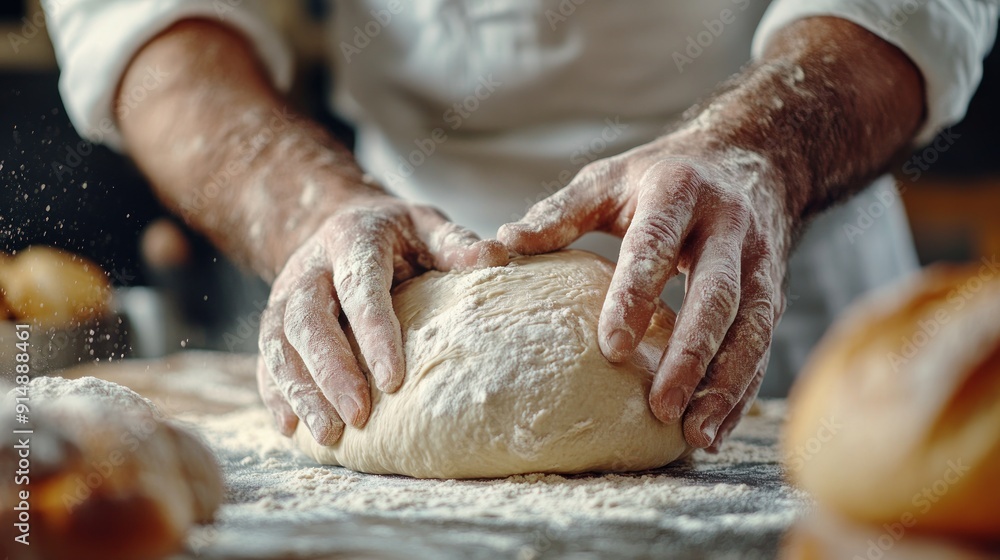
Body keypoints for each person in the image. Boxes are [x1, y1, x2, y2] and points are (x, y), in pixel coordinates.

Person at [42, 0, 997, 452]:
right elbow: (152, 33)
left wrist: (764, 155)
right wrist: (305, 205)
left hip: (779, 295)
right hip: (397, 293)